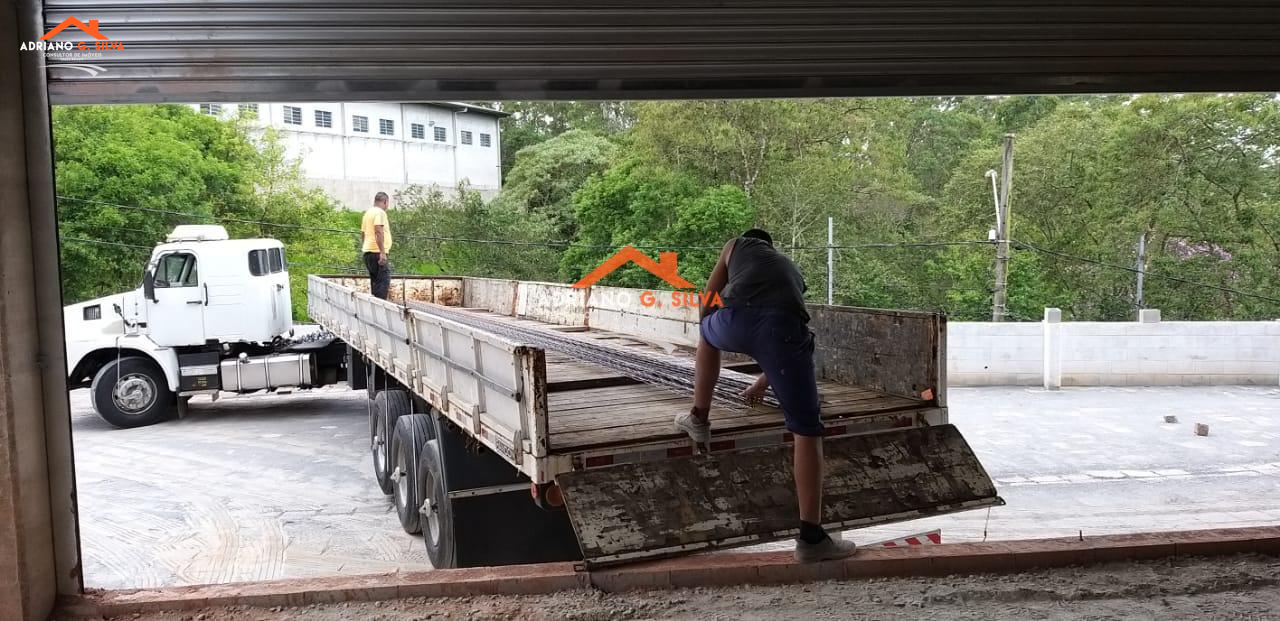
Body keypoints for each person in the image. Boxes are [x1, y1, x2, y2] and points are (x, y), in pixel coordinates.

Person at [676, 228, 858, 563]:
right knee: (807, 431)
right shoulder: (790, 269)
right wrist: (765, 381)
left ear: (748, 241)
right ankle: (811, 539)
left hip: (736, 321)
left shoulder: (734, 245)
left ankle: (699, 417)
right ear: (771, 247)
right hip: (782, 331)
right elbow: (788, 332)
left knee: (707, 331)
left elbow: (710, 296)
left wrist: (709, 323)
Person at [360, 191, 393, 299]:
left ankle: (373, 306)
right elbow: (378, 231)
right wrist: (382, 252)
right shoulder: (380, 213)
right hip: (377, 253)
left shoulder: (367, 213)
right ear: (385, 201)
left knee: (375, 284)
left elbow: (363, 234)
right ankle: (380, 307)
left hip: (368, 253)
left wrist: (366, 247)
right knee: (383, 283)